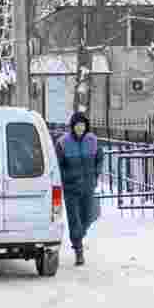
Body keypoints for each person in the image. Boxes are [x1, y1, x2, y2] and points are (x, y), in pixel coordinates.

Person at [55, 111, 104, 266]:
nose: (80, 128)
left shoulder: (93, 140)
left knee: (88, 217)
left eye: (83, 125)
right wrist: (67, 177)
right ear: (73, 126)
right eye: (77, 125)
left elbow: (99, 159)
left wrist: (95, 174)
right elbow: (58, 165)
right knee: (74, 220)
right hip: (71, 188)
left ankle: (77, 237)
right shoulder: (63, 143)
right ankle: (78, 250)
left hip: (88, 187)